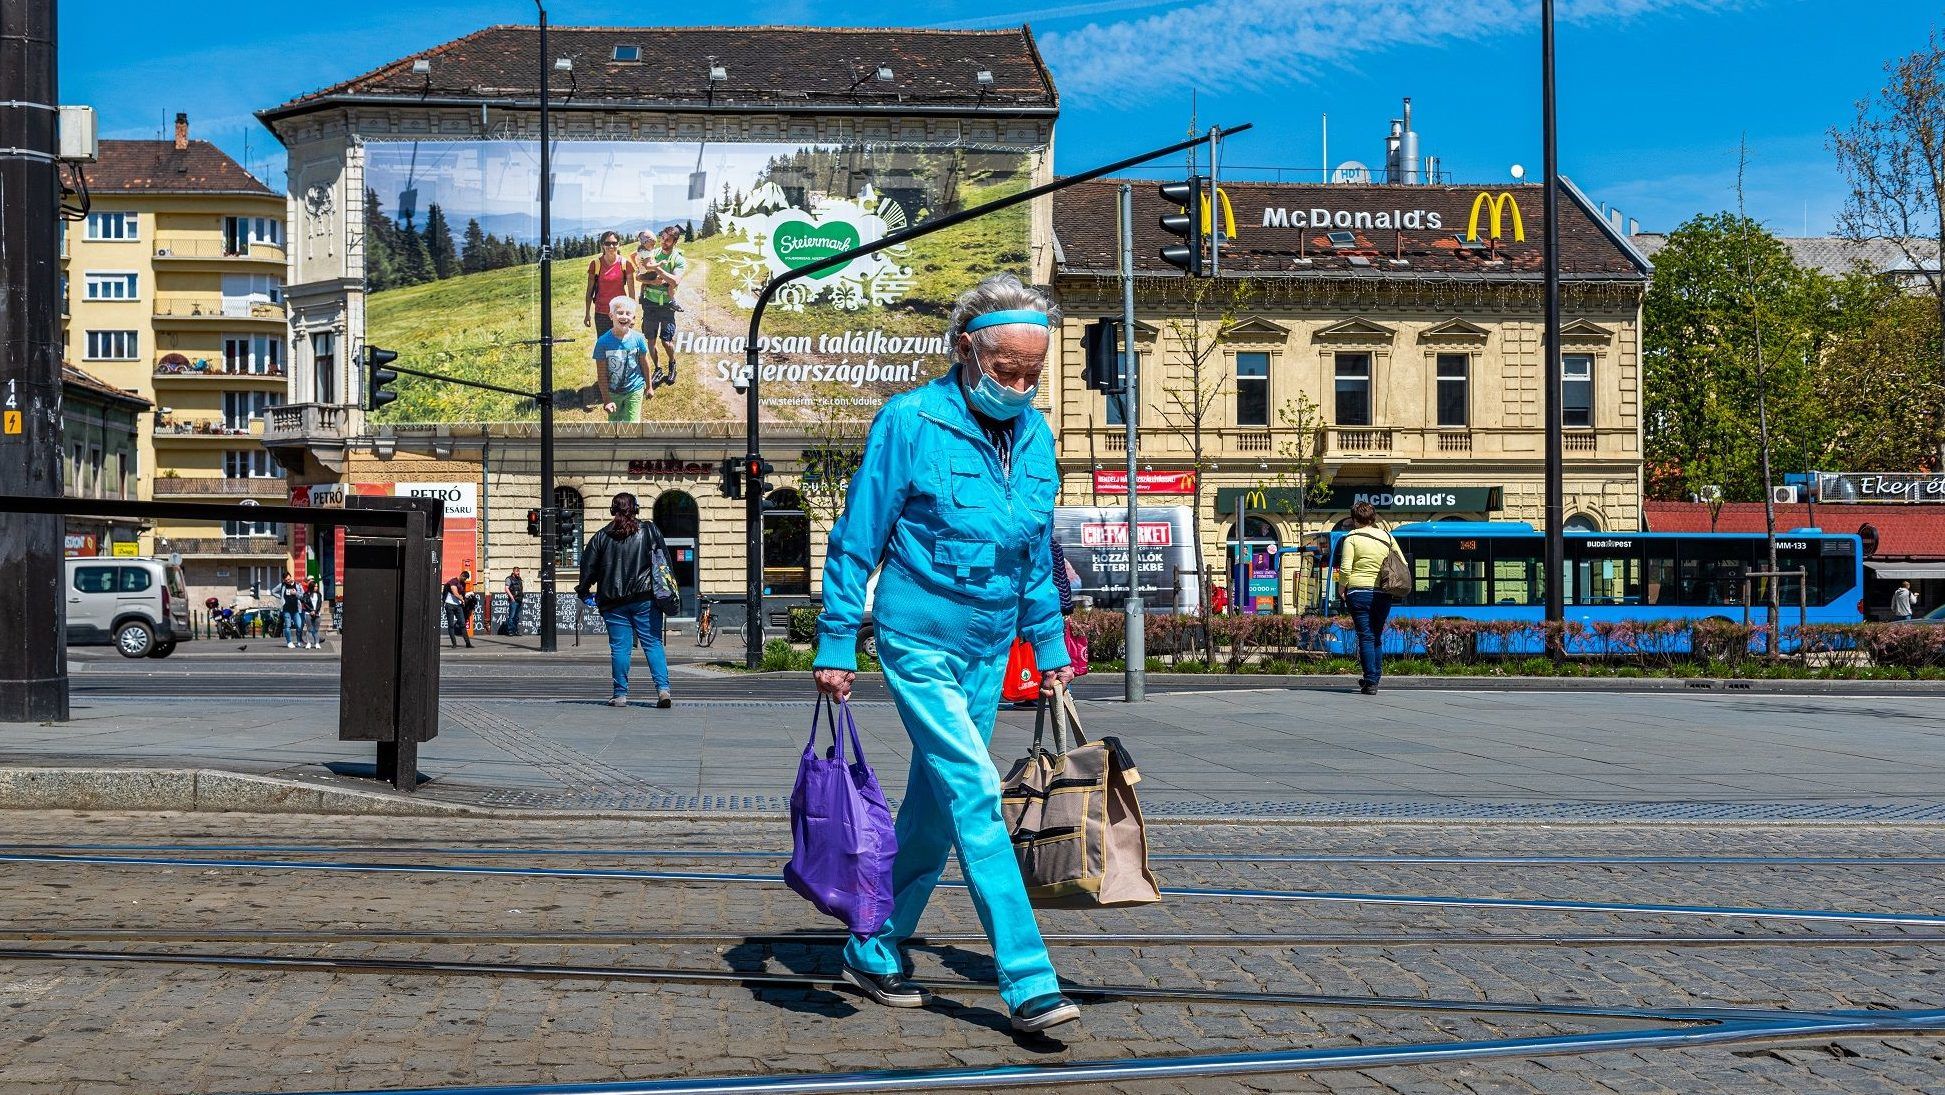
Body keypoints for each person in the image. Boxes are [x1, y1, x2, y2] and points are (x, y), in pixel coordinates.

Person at [812, 273, 1079, 1035]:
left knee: (933, 808)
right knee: (975, 793)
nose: (1022, 386)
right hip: (918, 636)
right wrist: (836, 642)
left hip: (989, 644)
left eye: (1034, 372)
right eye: (1007, 371)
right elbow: (856, 535)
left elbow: (1032, 550)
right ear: (967, 348)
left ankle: (872, 941)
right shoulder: (909, 421)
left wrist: (1050, 642)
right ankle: (1026, 977)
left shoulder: (1035, 433)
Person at [576, 492, 673, 709]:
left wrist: (583, 591)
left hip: (613, 601)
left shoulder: (601, 536)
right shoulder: (649, 530)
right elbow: (663, 562)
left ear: (613, 510)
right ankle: (663, 690)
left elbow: (587, 567)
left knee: (620, 648)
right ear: (635, 508)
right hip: (646, 598)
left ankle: (620, 695)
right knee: (653, 643)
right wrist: (668, 590)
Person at [1336, 501, 1395, 694]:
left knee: (1366, 636)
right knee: (1376, 636)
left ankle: (1370, 681)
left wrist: (1341, 588)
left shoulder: (1351, 538)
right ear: (1373, 517)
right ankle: (1374, 678)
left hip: (1359, 592)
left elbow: (1345, 568)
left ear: (1354, 519)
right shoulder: (1387, 537)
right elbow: (1401, 562)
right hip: (1383, 593)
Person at [634, 224, 686, 386]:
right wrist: (653, 280)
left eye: (668, 240)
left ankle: (672, 363)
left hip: (666, 306)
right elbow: (638, 277)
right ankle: (657, 368)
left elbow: (675, 281)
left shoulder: (678, 259)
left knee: (666, 341)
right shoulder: (651, 253)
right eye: (662, 238)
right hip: (649, 304)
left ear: (675, 241)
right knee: (650, 339)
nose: (663, 242)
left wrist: (659, 270)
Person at [593, 296, 652, 423]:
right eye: (619, 313)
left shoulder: (639, 339)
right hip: (613, 392)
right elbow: (601, 374)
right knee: (614, 425)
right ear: (611, 316)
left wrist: (649, 386)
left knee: (632, 425)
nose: (624, 316)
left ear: (633, 318)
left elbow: (644, 363)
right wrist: (607, 400)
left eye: (628, 313)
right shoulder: (603, 342)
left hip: (635, 389)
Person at [582, 232, 634, 336]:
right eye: (607, 243)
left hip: (621, 313)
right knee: (605, 346)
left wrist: (631, 315)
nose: (611, 246)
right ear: (602, 245)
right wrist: (587, 313)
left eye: (614, 243)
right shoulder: (595, 264)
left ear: (619, 244)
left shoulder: (625, 264)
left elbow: (631, 292)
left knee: (621, 345)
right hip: (602, 313)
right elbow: (589, 292)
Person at [443, 570, 473, 649]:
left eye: (466, 579)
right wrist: (462, 599)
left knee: (463, 624)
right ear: (461, 575)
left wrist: (465, 598)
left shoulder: (463, 584)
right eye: (464, 578)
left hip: (458, 605)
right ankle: (454, 644)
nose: (465, 580)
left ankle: (468, 643)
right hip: (449, 605)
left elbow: (462, 594)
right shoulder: (453, 581)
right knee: (451, 625)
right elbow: (455, 593)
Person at [278, 573, 304, 649]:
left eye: (289, 579)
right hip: (286, 609)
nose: (288, 581)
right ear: (284, 580)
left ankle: (299, 641)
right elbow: (273, 591)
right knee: (287, 626)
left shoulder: (298, 585)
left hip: (296, 610)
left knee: (299, 626)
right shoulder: (282, 585)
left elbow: (302, 596)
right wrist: (281, 597)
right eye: (286, 580)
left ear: (291, 577)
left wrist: (296, 593)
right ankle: (289, 642)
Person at [500, 568, 525, 635]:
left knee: (516, 617)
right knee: (512, 616)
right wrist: (512, 598)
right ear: (513, 572)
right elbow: (506, 589)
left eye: (519, 571)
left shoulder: (519, 579)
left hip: (519, 600)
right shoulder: (509, 579)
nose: (518, 573)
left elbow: (520, 589)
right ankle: (510, 631)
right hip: (513, 600)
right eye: (517, 571)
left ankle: (515, 630)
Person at [301, 580, 323, 649]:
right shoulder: (306, 594)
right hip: (308, 613)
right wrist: (311, 610)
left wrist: (315, 611)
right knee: (309, 629)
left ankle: (317, 643)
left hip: (317, 614)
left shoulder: (319, 594)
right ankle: (308, 643)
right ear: (311, 587)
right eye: (315, 586)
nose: (316, 587)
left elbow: (319, 604)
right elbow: (305, 603)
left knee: (316, 629)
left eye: (317, 586)